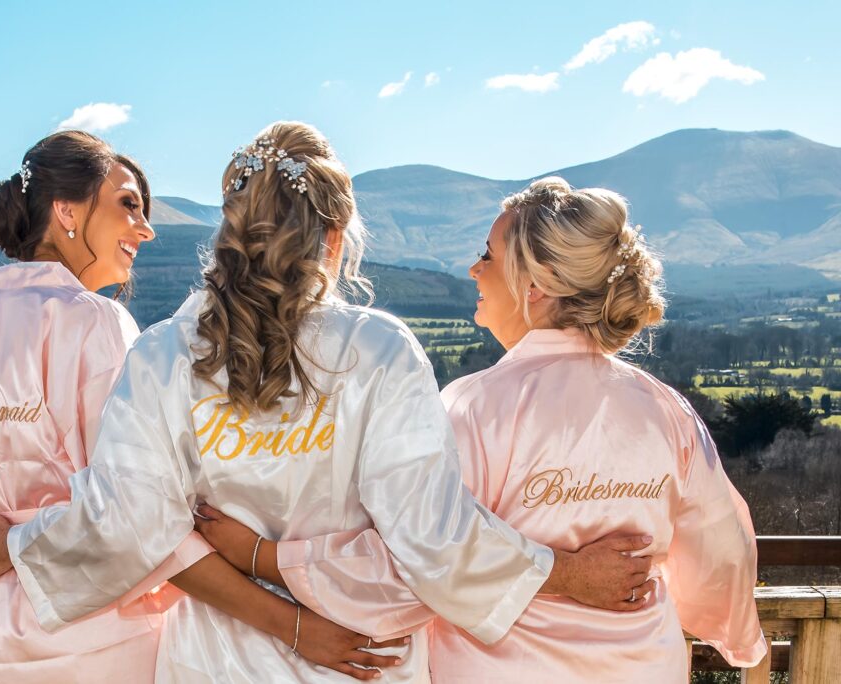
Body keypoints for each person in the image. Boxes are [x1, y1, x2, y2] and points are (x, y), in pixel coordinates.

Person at [0, 123, 655, 683]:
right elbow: (431, 535)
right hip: (365, 663)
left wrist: (15, 545)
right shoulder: (377, 351)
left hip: (212, 666)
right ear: (333, 238)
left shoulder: (164, 357)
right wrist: (565, 573)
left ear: (233, 231)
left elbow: (128, 525)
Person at [0, 130, 404, 683]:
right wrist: (292, 625)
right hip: (104, 638)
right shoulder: (93, 324)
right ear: (66, 211)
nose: (146, 229)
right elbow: (145, 520)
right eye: (128, 204)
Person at [195, 176, 768, 682]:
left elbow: (410, 561)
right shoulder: (666, 411)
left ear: (535, 286)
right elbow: (722, 548)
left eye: (487, 255)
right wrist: (739, 641)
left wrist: (267, 558)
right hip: (645, 664)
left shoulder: (471, 409)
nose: (473, 269)